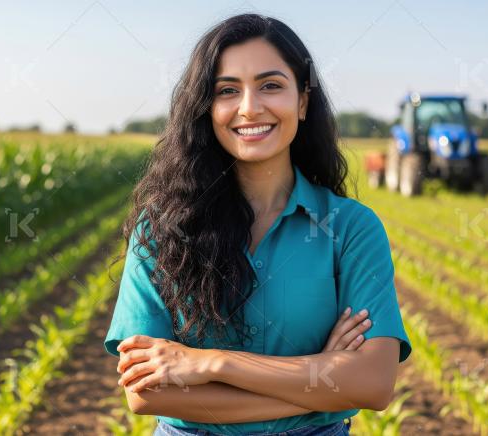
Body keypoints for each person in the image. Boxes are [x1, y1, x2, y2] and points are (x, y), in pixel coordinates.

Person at [104, 13, 412, 436]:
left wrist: (212, 363)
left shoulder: (351, 229)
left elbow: (373, 385)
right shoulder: (159, 229)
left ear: (303, 101)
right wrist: (323, 379)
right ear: (206, 108)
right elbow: (148, 395)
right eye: (227, 91)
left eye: (271, 85)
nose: (249, 107)